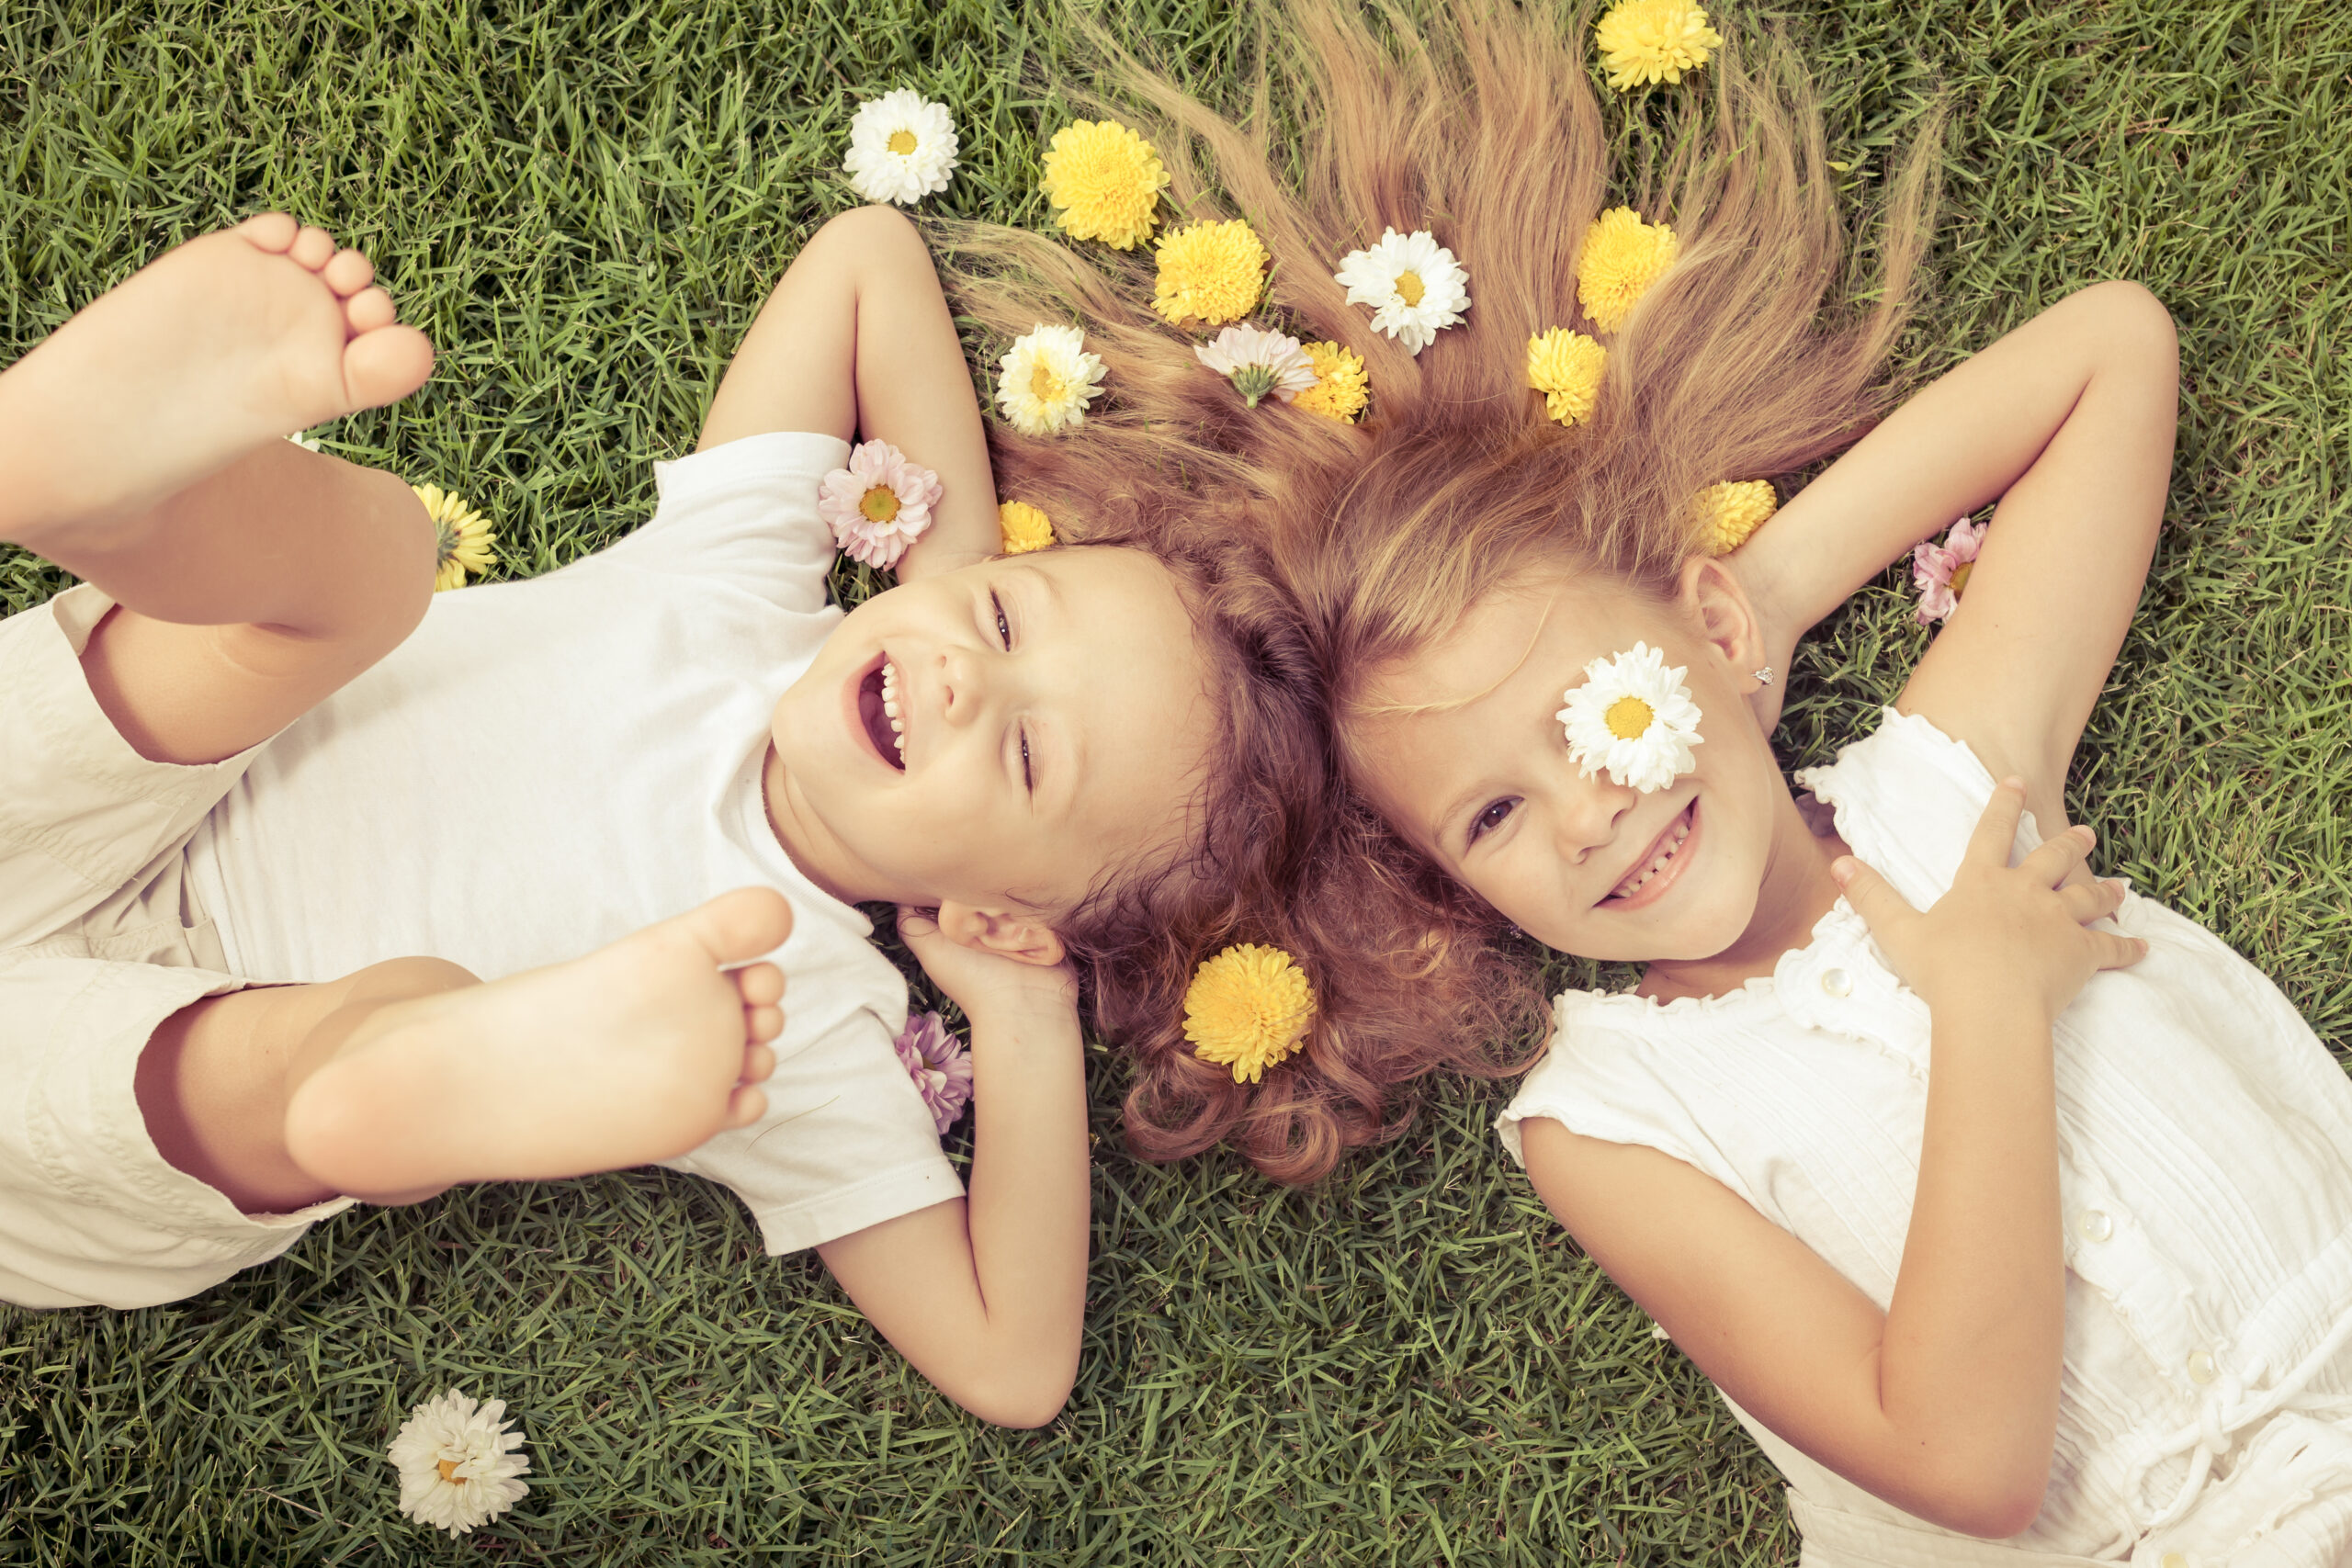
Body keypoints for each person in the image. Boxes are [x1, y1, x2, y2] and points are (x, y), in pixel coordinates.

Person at [1256, 12, 2352, 1560]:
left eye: (1598, 709)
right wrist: (1985, 1000)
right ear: (1457, 880)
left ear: (1698, 636)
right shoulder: (1610, 1121)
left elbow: (2114, 353)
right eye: (1491, 816)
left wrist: (1760, 604)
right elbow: (1966, 1461)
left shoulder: (1945, 786)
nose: (1587, 810)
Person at [0, 201, 1326, 1430]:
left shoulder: (786, 1024)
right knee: (368, 574)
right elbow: (866, 256)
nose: (966, 681)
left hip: (105, 1091)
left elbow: (1012, 1363)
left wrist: (1022, 1007)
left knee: (335, 1043)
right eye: (1000, 621)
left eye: (1031, 757)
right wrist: (952, 573)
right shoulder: (740, 586)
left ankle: (385, 1074)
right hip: (146, 764)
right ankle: (113, 495)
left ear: (1005, 911)